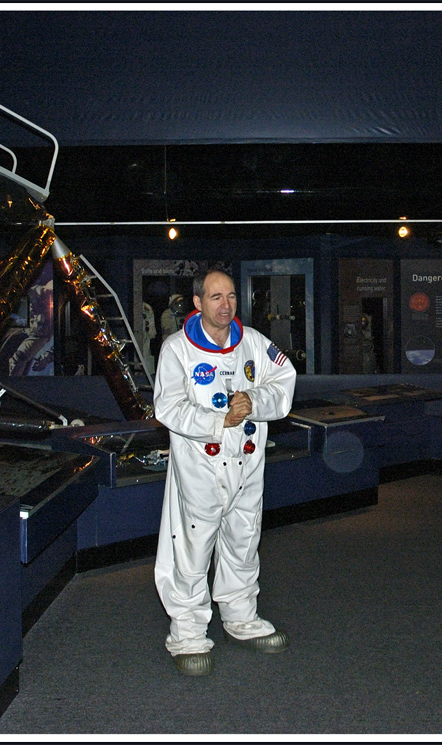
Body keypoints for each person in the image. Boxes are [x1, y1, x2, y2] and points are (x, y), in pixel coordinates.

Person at [153, 269, 297, 676]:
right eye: (216, 297)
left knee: (244, 539)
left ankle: (241, 618)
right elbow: (168, 406)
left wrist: (253, 400)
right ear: (198, 302)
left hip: (248, 463)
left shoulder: (253, 343)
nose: (225, 305)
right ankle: (187, 634)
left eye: (231, 296)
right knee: (192, 550)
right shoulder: (177, 349)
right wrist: (219, 422)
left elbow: (284, 380)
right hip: (200, 463)